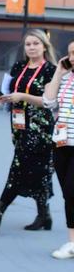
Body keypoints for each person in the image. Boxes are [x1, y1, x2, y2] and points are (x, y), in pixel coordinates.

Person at [0, 30, 56, 233]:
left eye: (36, 43)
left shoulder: (51, 70)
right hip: (19, 123)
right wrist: (5, 97)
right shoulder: (19, 66)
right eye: (28, 44)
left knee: (18, 169)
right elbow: (9, 89)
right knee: (39, 171)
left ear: (44, 46)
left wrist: (22, 96)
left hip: (40, 128)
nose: (31, 47)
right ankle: (44, 215)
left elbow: (48, 102)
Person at [43, 39, 74, 258]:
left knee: (72, 191)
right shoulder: (66, 79)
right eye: (70, 53)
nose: (72, 58)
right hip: (62, 144)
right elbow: (48, 102)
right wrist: (58, 74)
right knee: (68, 195)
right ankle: (72, 242)